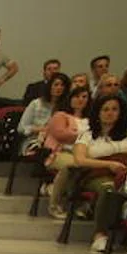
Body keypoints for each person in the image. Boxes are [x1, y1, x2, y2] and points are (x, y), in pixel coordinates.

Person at [73, 96, 127, 252]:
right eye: (105, 109)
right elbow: (80, 160)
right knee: (109, 189)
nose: (110, 113)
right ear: (97, 112)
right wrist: (109, 164)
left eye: (114, 109)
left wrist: (125, 169)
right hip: (97, 175)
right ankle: (100, 235)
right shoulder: (87, 135)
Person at [46, 85, 94, 217]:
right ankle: (55, 204)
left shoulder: (92, 120)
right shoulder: (61, 115)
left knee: (91, 166)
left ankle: (84, 204)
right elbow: (61, 135)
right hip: (61, 153)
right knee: (72, 166)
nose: (81, 99)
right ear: (70, 98)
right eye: (77, 96)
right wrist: (84, 136)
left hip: (86, 154)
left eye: (84, 97)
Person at [17, 74, 69, 156]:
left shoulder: (67, 107)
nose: (59, 88)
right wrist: (41, 129)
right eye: (56, 84)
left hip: (58, 143)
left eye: (62, 85)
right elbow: (21, 128)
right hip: (35, 141)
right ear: (50, 86)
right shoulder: (36, 104)